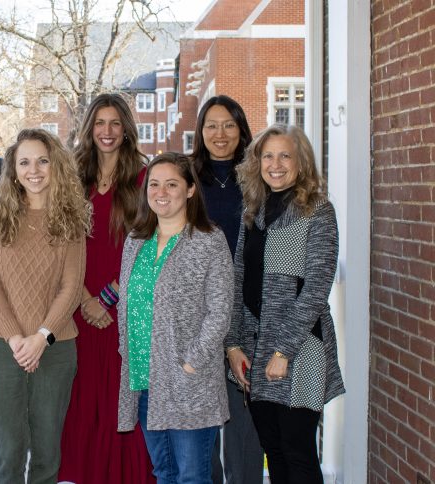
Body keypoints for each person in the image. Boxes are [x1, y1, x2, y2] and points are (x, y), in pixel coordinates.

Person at [225, 125, 344, 484]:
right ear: (257, 162)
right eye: (267, 156)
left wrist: (283, 351)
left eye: (285, 155)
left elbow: (315, 287)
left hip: (301, 348)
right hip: (255, 350)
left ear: (301, 161)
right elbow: (239, 281)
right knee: (273, 451)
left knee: (298, 452)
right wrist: (233, 345)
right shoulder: (254, 210)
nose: (275, 164)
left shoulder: (318, 211)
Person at [0, 128, 90, 484]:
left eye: (42, 160)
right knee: (7, 452)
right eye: (24, 162)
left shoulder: (72, 217)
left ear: (55, 164)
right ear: (13, 169)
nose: (34, 169)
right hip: (0, 346)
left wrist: (41, 337)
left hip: (55, 347)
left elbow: (71, 288)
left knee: (46, 453)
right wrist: (15, 338)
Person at [117, 153, 233, 484]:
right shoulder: (135, 241)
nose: (161, 192)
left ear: (191, 190)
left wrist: (191, 365)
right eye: (154, 184)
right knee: (163, 474)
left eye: (172, 184)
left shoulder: (209, 241)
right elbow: (127, 307)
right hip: (144, 380)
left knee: (192, 477)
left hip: (188, 382)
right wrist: (127, 355)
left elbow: (220, 311)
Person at [58, 93, 155, 484]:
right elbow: (60, 242)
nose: (107, 131)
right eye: (100, 123)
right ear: (89, 128)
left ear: (127, 129)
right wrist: (84, 299)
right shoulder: (71, 177)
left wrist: (109, 298)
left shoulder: (144, 178)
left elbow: (151, 246)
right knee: (83, 403)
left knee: (122, 402)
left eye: (115, 123)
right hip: (78, 309)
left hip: (125, 310)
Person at [191, 95, 263, 484]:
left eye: (228, 125)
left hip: (247, 313)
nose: (220, 134)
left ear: (241, 129)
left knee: (243, 422)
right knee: (202, 422)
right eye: (211, 125)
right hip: (198, 312)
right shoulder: (186, 178)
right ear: (201, 131)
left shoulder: (258, 176)